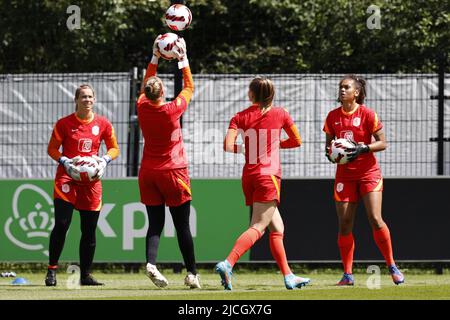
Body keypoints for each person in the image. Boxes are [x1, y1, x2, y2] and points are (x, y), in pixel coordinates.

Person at [215, 77, 310, 290]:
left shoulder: (239, 117)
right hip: (268, 176)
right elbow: (296, 141)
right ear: (271, 94)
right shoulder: (281, 114)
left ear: (251, 95)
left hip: (249, 176)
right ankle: (228, 263)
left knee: (277, 227)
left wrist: (249, 149)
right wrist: (275, 144)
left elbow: (228, 146)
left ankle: (288, 276)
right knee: (258, 226)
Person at [323, 74, 404, 286]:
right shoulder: (332, 116)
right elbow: (328, 145)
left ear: (356, 92)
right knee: (345, 224)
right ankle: (348, 274)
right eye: (340, 87)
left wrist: (362, 148)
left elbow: (383, 143)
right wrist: (332, 153)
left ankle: (392, 265)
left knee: (375, 218)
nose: (342, 90)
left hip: (368, 173)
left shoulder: (367, 114)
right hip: (344, 176)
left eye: (346, 87)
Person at [136, 37, 200, 289]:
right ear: (162, 92)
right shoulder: (172, 110)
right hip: (174, 173)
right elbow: (189, 87)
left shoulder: (142, 106)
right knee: (182, 225)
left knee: (155, 223)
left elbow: (146, 85)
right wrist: (182, 58)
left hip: (148, 172)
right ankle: (192, 273)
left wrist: (155, 57)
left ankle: (151, 263)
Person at [46, 84, 120, 286]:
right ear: (76, 100)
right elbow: (52, 148)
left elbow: (114, 148)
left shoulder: (103, 124)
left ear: (94, 100)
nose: (87, 100)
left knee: (89, 230)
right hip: (67, 178)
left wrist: (104, 160)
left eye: (90, 97)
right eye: (83, 97)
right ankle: (52, 270)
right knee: (62, 224)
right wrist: (64, 161)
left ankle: (85, 275)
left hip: (92, 182)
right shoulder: (64, 124)